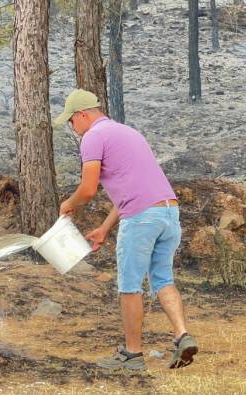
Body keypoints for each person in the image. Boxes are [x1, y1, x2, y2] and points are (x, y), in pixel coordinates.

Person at [53, 89, 198, 370]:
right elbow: (133, 189)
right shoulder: (127, 132)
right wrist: (105, 228)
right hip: (168, 212)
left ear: (82, 115)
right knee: (163, 279)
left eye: (71, 122)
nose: (73, 128)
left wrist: (68, 204)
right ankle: (182, 334)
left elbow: (88, 189)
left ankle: (132, 355)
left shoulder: (93, 137)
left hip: (142, 218)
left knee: (129, 286)